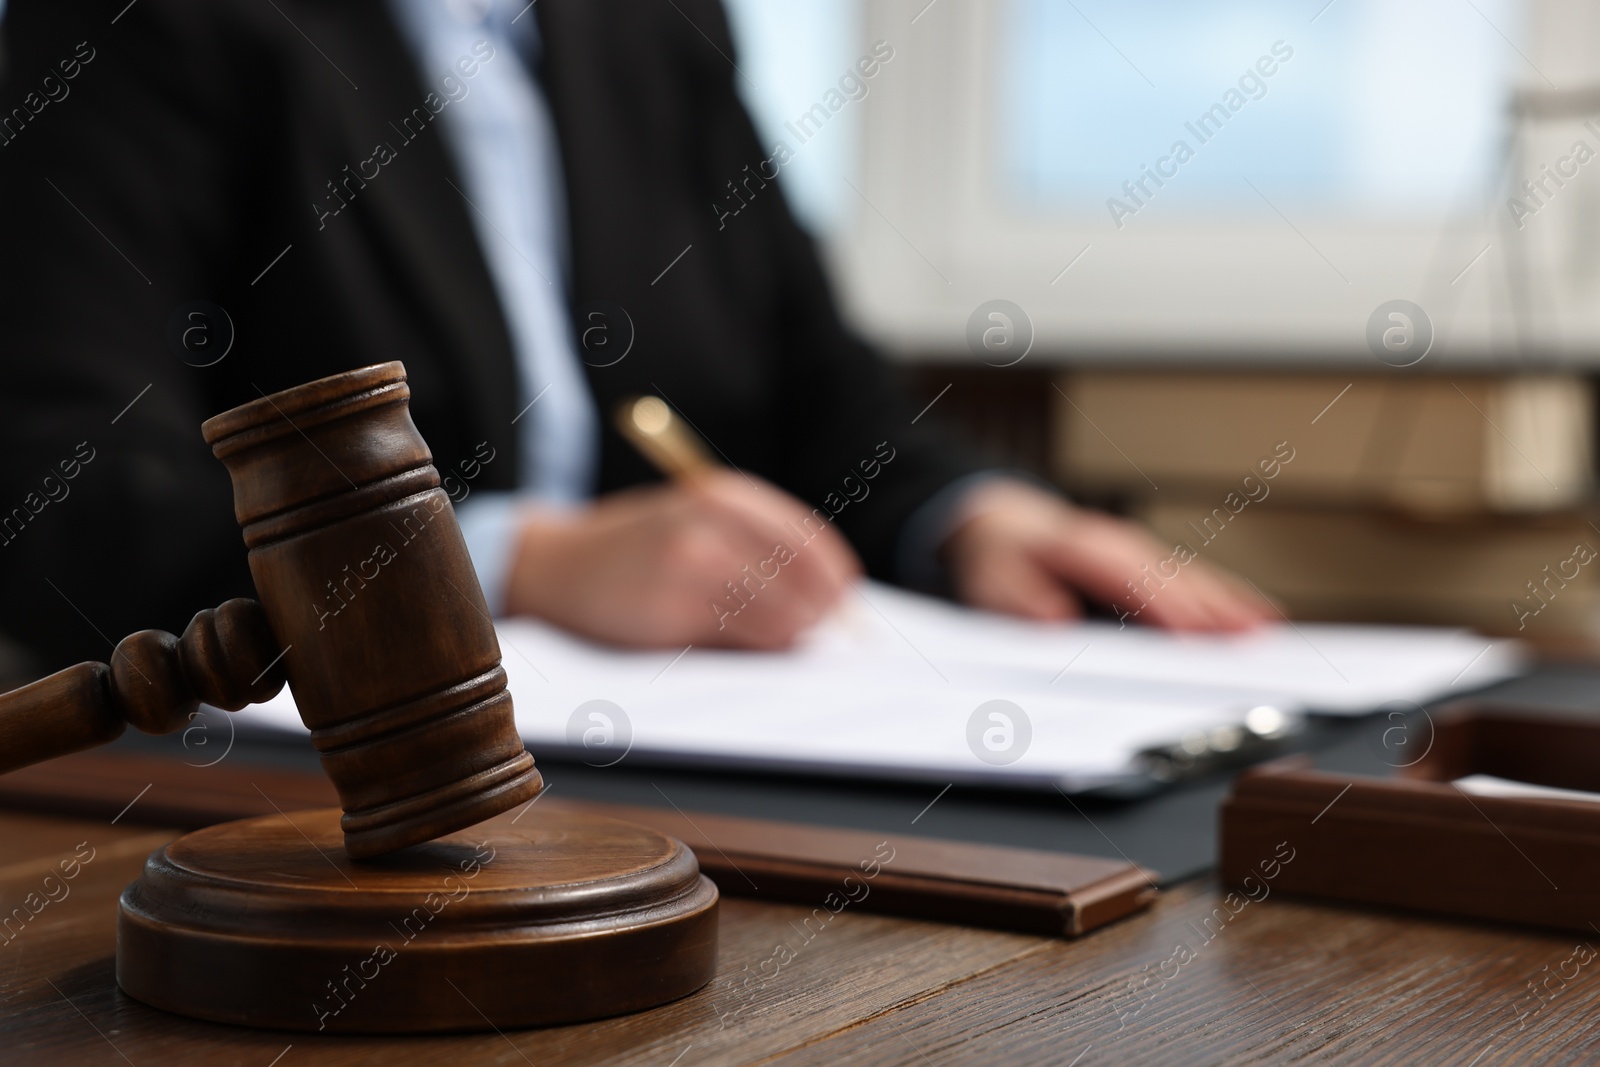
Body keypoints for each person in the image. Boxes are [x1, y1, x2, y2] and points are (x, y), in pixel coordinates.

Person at [0, 0, 1270, 676]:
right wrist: (516, 563)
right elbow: (61, 491)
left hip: (679, 772)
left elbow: (826, 411)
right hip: (281, 796)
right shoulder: (146, 24)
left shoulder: (654, 26)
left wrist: (975, 516)